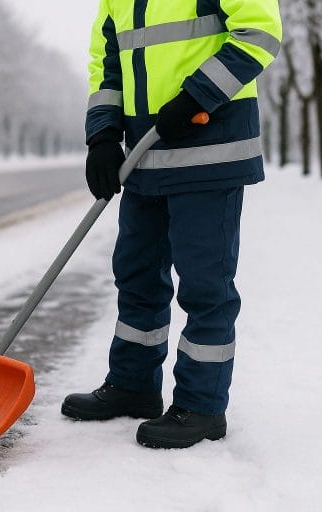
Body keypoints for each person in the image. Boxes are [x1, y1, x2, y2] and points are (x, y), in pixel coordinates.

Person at [61, 0, 282, 448]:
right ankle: (133, 384)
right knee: (137, 276)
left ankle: (201, 406)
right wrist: (102, 133)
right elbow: (107, 64)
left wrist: (195, 96)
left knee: (204, 286)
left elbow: (260, 32)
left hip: (209, 152)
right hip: (145, 157)